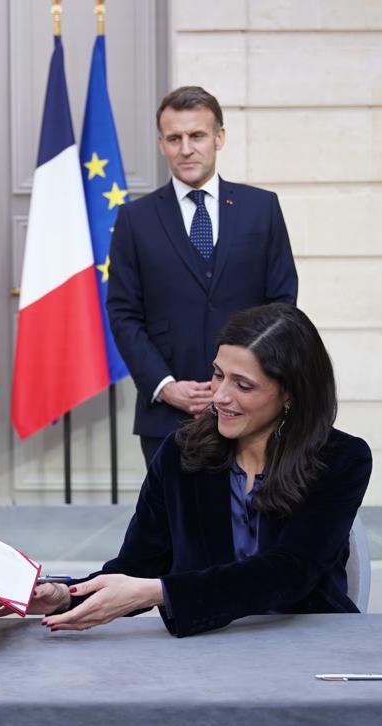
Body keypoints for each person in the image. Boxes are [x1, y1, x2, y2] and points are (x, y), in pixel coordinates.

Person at [0, 303, 372, 638]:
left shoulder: (342, 459)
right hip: (208, 647)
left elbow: (290, 573)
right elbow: (137, 568)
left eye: (243, 385)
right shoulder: (181, 453)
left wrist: (162, 592)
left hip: (312, 647)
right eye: (218, 374)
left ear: (290, 394)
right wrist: (65, 595)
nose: (220, 396)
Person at [107, 86, 298, 464]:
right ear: (161, 144)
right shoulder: (135, 219)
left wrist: (242, 381)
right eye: (174, 138)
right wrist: (165, 386)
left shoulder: (262, 208)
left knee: (254, 504)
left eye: (196, 135)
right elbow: (123, 313)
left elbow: (282, 305)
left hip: (253, 412)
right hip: (168, 415)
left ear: (219, 138)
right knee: (173, 506)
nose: (186, 149)